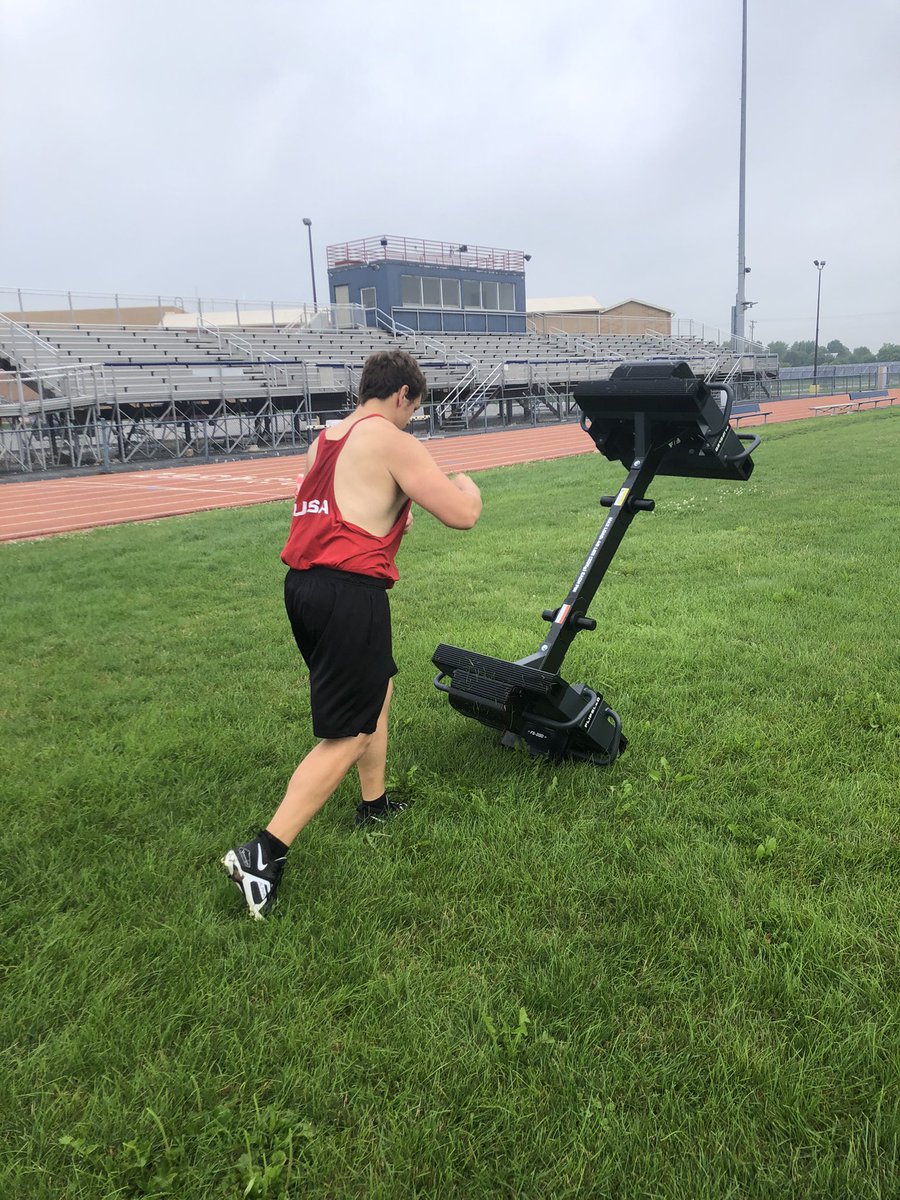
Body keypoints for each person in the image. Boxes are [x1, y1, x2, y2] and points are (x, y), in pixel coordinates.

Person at [221, 349, 483, 918]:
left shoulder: (326, 438)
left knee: (376, 689)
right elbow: (461, 514)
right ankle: (263, 854)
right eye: (413, 408)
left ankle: (374, 805)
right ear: (401, 396)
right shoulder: (391, 437)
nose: (411, 417)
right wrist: (470, 486)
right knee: (349, 732)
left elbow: (356, 507)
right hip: (347, 593)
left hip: (304, 587)